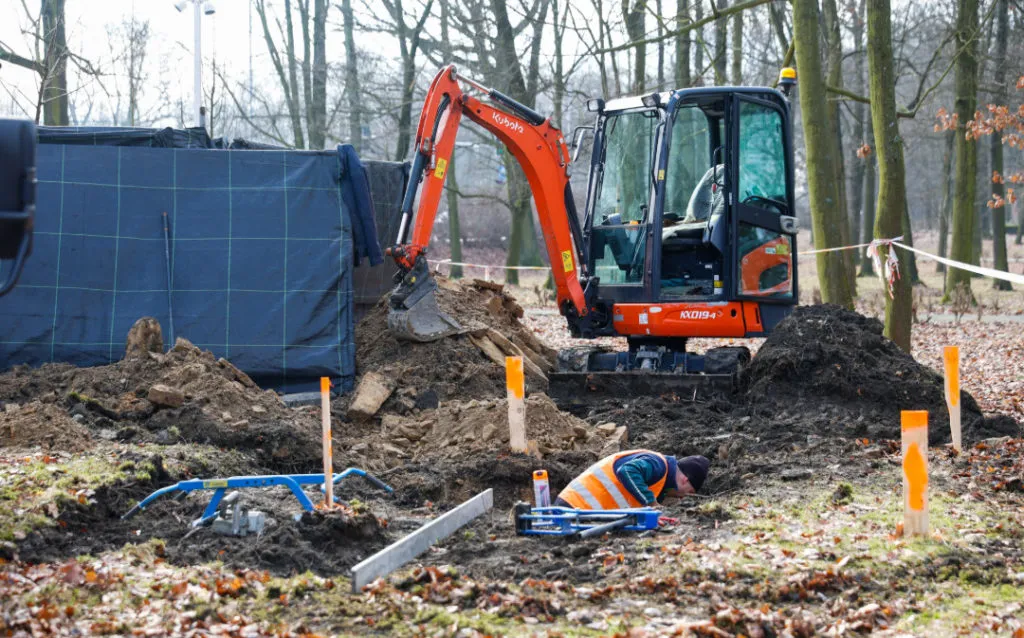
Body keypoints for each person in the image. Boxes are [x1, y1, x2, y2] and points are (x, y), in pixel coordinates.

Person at [554, 449, 709, 510]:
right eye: (688, 492)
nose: (682, 498)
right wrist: (652, 502)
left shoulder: (661, 480)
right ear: (685, 480)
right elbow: (627, 470)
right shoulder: (658, 465)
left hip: (581, 510)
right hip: (573, 506)